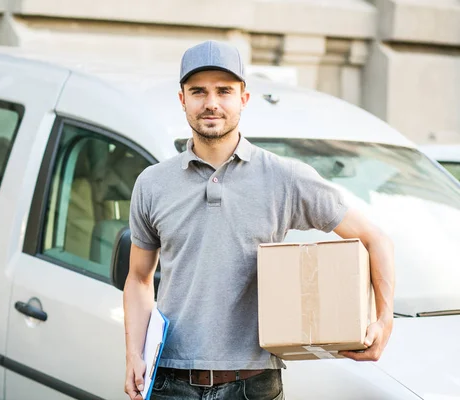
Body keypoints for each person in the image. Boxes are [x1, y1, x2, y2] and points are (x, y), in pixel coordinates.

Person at [123, 40, 395, 400]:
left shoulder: (285, 178)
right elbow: (139, 279)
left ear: (243, 99)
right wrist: (133, 354)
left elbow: (375, 239)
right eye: (198, 91)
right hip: (169, 382)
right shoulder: (153, 183)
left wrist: (384, 319)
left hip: (254, 384)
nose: (211, 103)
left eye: (224, 91)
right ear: (182, 99)